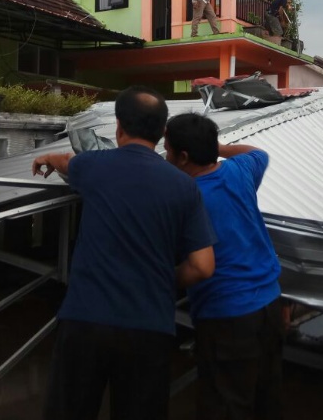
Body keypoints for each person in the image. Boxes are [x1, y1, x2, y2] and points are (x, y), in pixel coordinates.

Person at [32, 86, 217, 420]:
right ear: (162, 134)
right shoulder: (183, 186)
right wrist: (164, 279)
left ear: (118, 126)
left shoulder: (93, 167)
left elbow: (66, 161)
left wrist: (47, 157)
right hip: (149, 328)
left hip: (85, 321)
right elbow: (203, 266)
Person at [164, 113, 283, 420]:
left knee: (226, 403)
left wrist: (161, 280)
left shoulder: (187, 197)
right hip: (270, 305)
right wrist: (218, 148)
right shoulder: (240, 172)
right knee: (263, 394)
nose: (165, 157)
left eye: (168, 151)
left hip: (228, 316)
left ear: (183, 157)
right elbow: (259, 153)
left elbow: (199, 267)